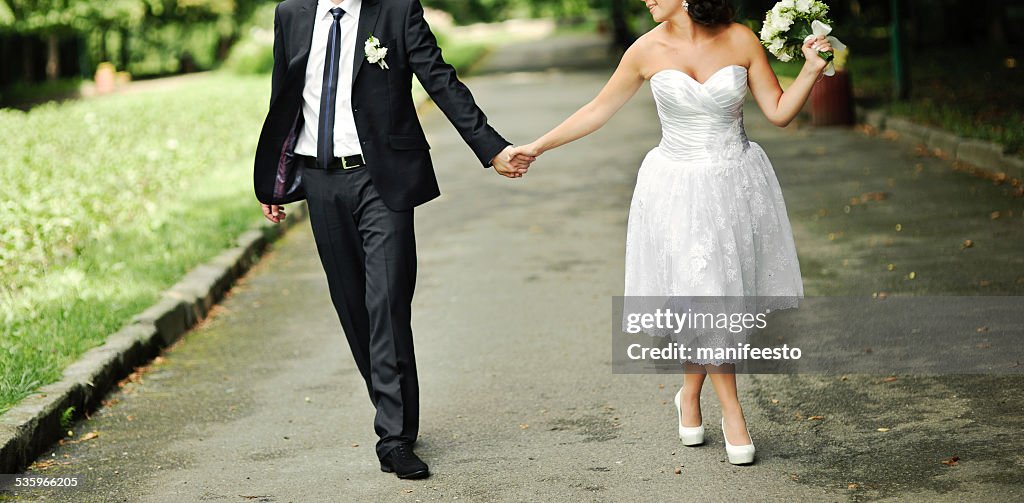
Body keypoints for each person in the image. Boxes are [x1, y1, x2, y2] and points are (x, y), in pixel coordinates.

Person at [509, 0, 831, 465]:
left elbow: (779, 112)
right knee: (703, 293)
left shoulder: (740, 38)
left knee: (711, 293)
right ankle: (734, 412)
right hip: (673, 189)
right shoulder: (645, 49)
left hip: (733, 184)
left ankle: (688, 393)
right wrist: (536, 147)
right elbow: (598, 109)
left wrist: (811, 69)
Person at [252, 0, 532, 479]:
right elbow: (284, 95)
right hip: (321, 181)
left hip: (383, 179)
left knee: (386, 302)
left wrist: (492, 147)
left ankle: (396, 437)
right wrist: (272, 182)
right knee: (353, 308)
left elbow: (439, 78)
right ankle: (394, 402)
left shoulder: (397, 10)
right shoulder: (292, 14)